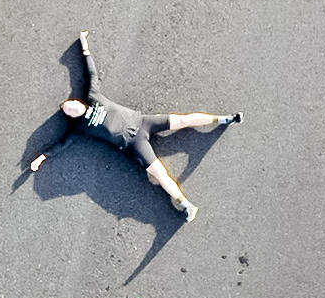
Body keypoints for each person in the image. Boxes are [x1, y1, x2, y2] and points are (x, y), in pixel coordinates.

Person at [29, 31, 239, 221]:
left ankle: (224, 118)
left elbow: (91, 73)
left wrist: (84, 46)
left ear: (78, 101)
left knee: (183, 120)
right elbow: (63, 143)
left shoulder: (93, 96)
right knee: (160, 174)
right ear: (70, 115)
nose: (72, 107)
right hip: (134, 144)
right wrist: (42, 157)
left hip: (143, 121)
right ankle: (186, 205)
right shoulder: (80, 128)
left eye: (71, 104)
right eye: (68, 110)